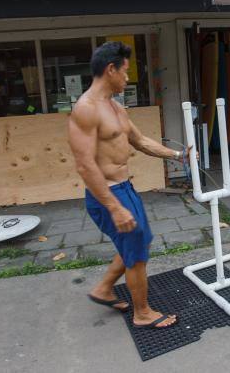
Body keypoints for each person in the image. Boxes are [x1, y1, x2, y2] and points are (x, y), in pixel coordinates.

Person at [68, 41, 189, 329]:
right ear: (110, 69)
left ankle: (104, 289)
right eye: (124, 71)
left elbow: (141, 141)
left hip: (125, 189)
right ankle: (143, 313)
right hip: (108, 195)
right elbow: (85, 165)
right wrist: (114, 208)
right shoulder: (86, 109)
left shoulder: (116, 107)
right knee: (136, 254)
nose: (127, 78)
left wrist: (178, 155)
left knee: (139, 242)